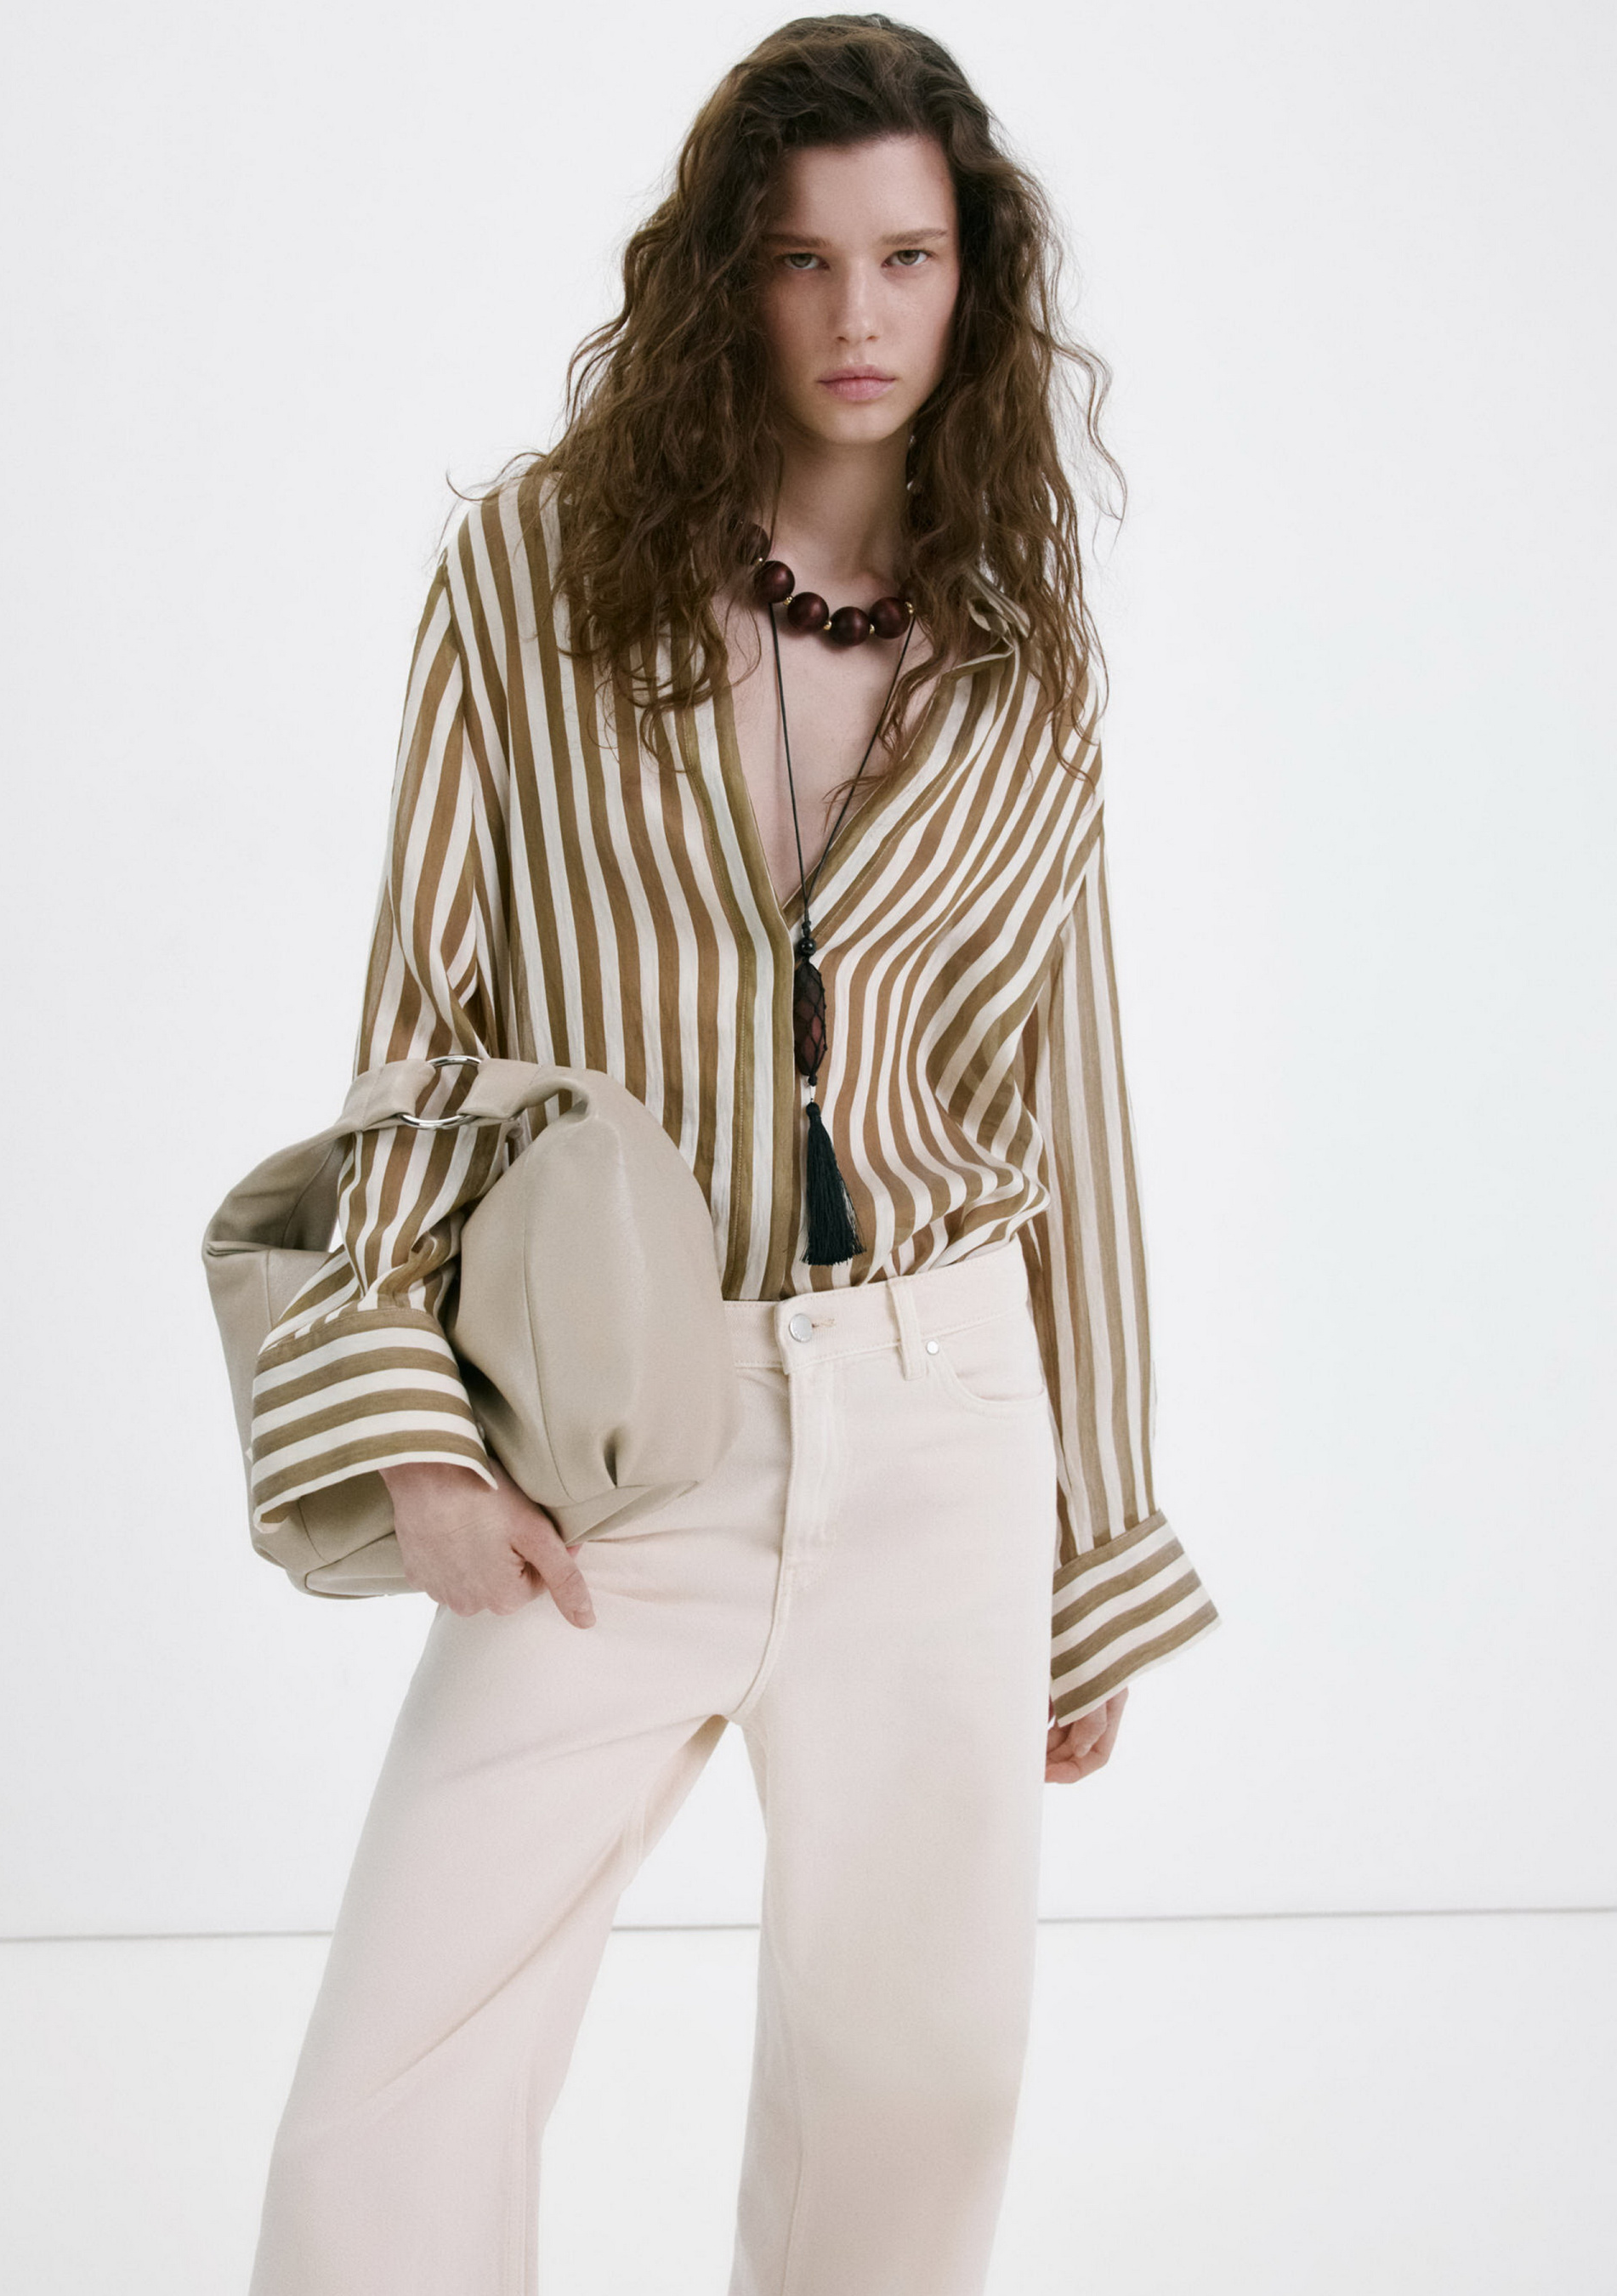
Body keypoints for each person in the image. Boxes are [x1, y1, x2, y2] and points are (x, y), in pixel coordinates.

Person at [241, 16, 1220, 2293]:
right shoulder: (533, 572)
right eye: (800, 260)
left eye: (908, 257)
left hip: (940, 1421)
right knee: (398, 2075)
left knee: (918, 2076)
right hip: (618, 1427)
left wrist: (1091, 1544)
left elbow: (1067, 1099)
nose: (858, 315)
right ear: (724, 280)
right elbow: (426, 1026)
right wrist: (411, 1425)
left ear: (976, 280)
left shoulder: (1021, 652)